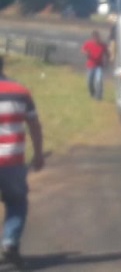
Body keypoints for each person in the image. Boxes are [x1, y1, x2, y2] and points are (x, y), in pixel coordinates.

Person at [0, 56, 45, 268]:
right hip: (12, 161)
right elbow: (34, 125)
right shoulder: (20, 92)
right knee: (16, 202)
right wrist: (38, 154)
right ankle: (10, 246)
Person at [81, 31, 108, 101]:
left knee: (98, 80)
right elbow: (83, 49)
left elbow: (107, 53)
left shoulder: (103, 45)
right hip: (91, 65)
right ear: (93, 38)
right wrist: (86, 53)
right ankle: (92, 93)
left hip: (99, 66)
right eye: (95, 38)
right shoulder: (89, 44)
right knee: (89, 81)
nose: (97, 39)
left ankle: (99, 96)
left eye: (98, 38)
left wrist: (107, 62)